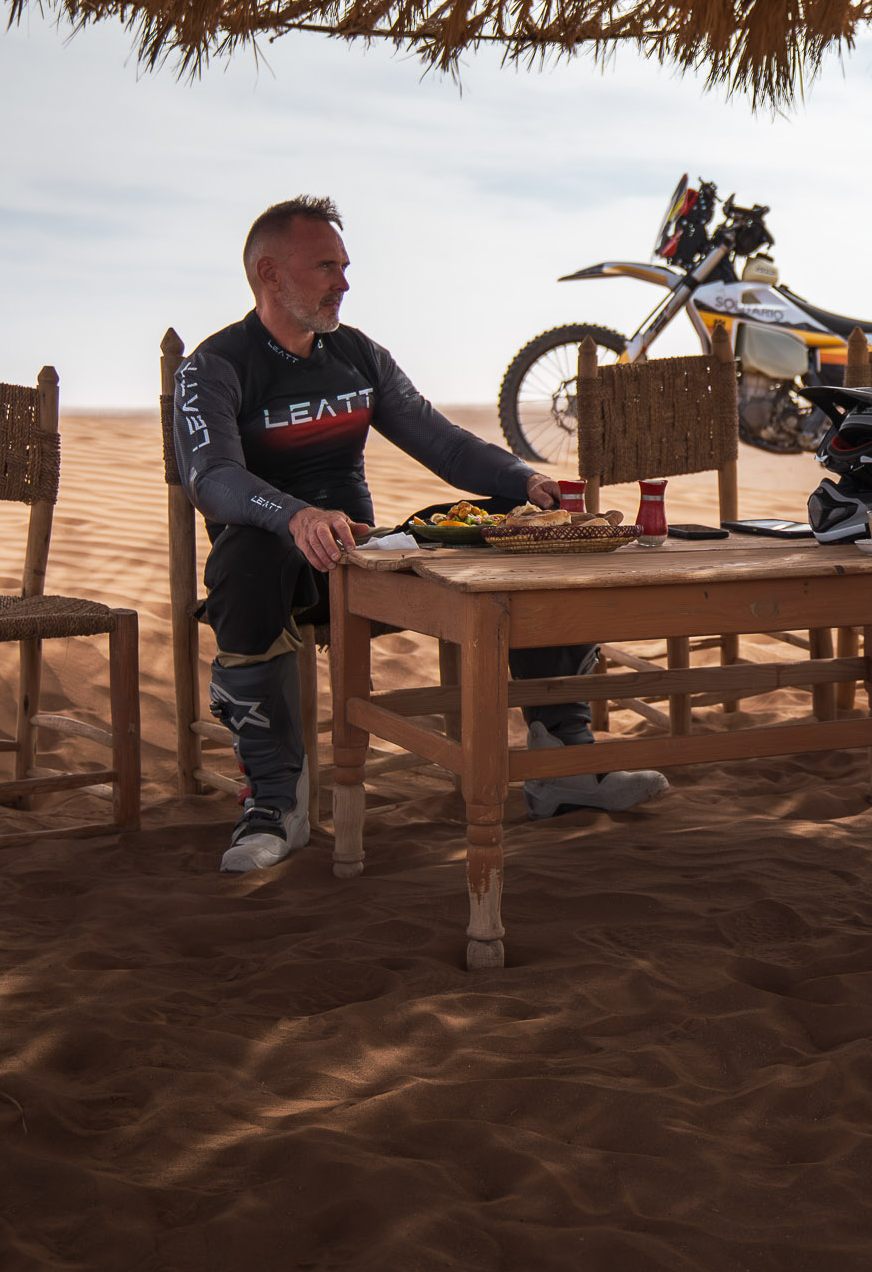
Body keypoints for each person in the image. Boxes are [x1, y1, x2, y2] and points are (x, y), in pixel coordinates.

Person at [173, 195, 666, 872]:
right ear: (269, 273)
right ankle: (275, 805)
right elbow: (214, 478)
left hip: (366, 562)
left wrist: (525, 483)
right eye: (326, 266)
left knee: (538, 526)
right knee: (245, 558)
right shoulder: (215, 366)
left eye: (344, 266)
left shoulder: (357, 356)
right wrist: (294, 515)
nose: (343, 283)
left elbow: (442, 442)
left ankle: (562, 763)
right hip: (278, 573)